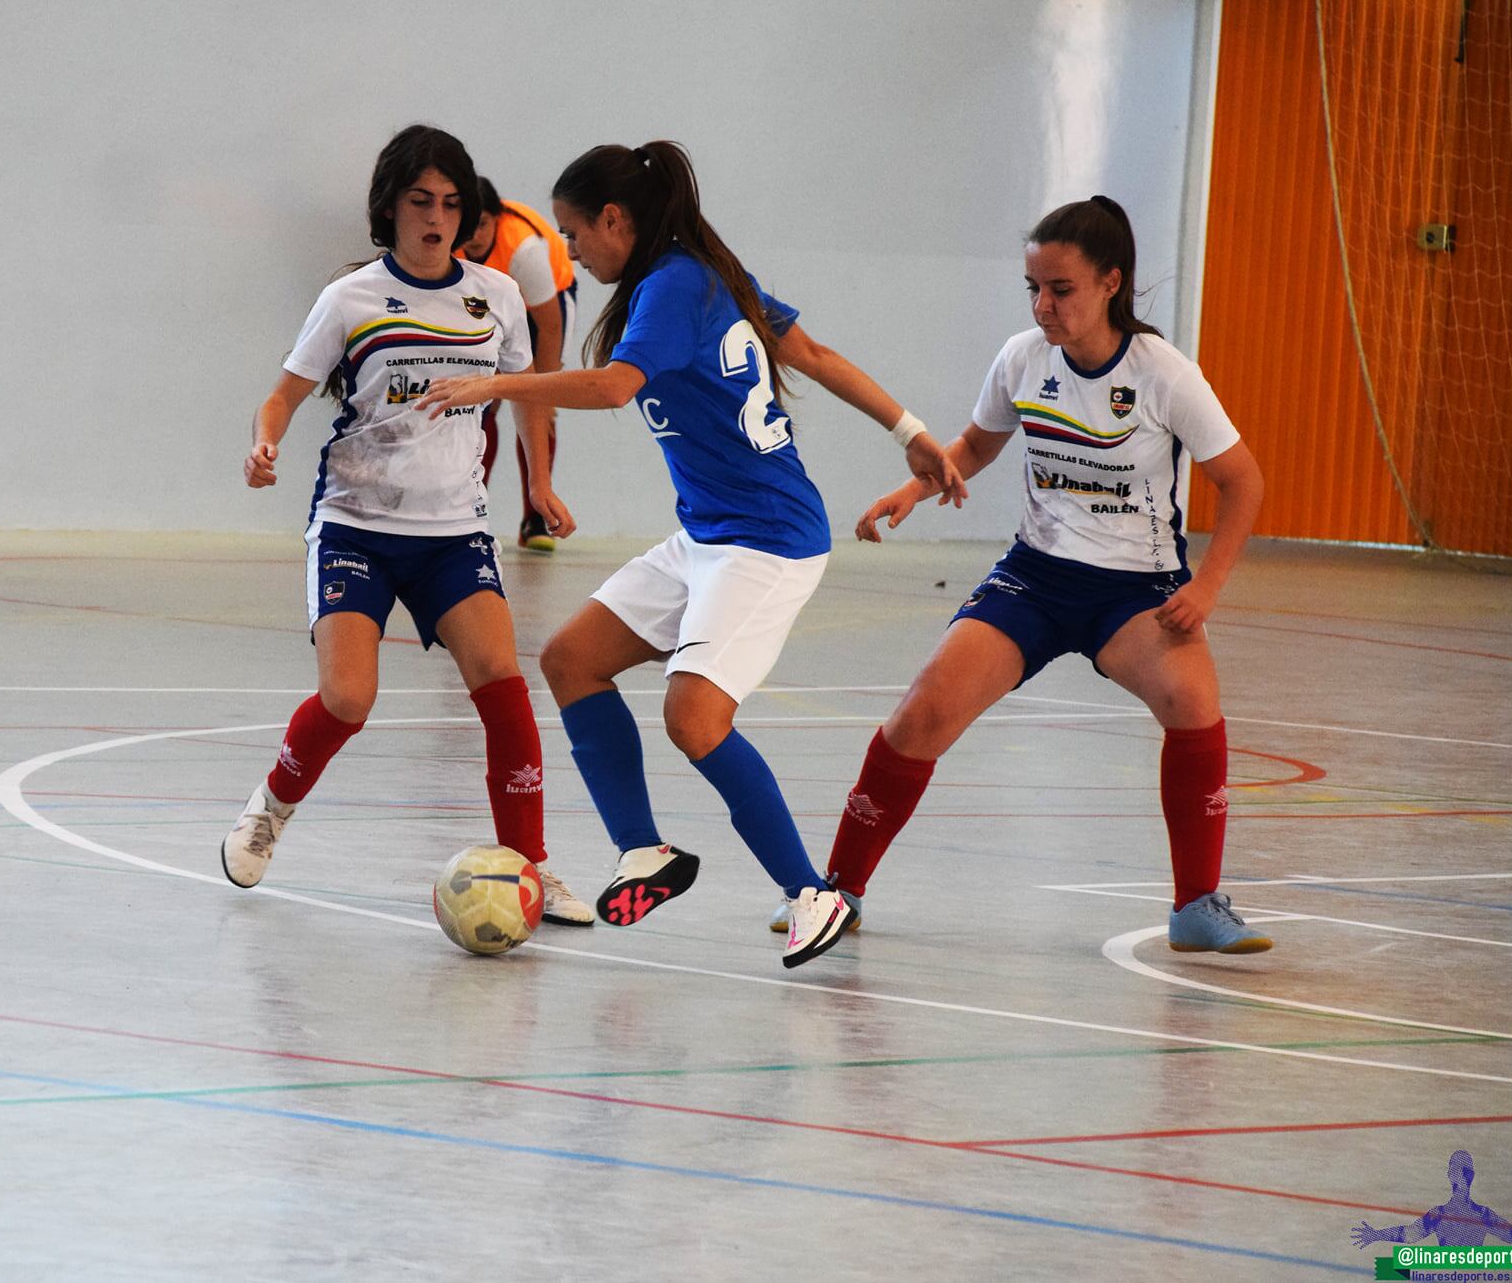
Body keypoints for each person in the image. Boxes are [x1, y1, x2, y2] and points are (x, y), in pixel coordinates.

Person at [418, 140, 965, 968]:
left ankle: (810, 892)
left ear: (616, 219)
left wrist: (497, 383)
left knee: (694, 717)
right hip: (708, 533)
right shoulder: (698, 275)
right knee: (571, 659)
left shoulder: (675, 283)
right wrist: (911, 432)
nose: (569, 252)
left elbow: (612, 386)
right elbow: (812, 355)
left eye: (573, 234)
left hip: (767, 541)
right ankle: (645, 850)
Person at [805, 195, 1271, 953]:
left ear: (1110, 283)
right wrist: (916, 487)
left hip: (1135, 592)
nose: (1044, 306)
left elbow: (1243, 481)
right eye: (1034, 288)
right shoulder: (1023, 357)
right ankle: (837, 892)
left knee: (1192, 699)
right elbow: (977, 447)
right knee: (923, 710)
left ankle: (1197, 905)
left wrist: (1208, 584)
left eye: (1062, 289)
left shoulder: (1163, 375)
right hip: (1036, 579)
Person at [225, 124, 594, 925]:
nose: (437, 218)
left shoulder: (493, 297)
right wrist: (265, 442)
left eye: (452, 204)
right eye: (421, 201)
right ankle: (272, 805)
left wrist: (543, 484)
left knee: (503, 687)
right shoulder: (349, 299)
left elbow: (525, 391)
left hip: (455, 530)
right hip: (356, 525)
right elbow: (284, 393)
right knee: (349, 699)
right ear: (389, 208)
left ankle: (529, 864)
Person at [459, 179, 578, 552]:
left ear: (498, 218)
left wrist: (544, 387)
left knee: (538, 405)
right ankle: (468, 512)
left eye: (483, 224)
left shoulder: (523, 248)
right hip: (488, 306)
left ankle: (536, 518)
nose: (475, 235)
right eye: (469, 224)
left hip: (546, 306)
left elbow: (549, 323)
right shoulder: (450, 245)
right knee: (480, 404)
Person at [1352, 1151, 1512, 1251]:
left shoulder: (1441, 1215)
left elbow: (1408, 1235)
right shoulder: (1482, 1215)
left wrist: (1376, 1234)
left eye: (1452, 1169)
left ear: (1452, 1175)